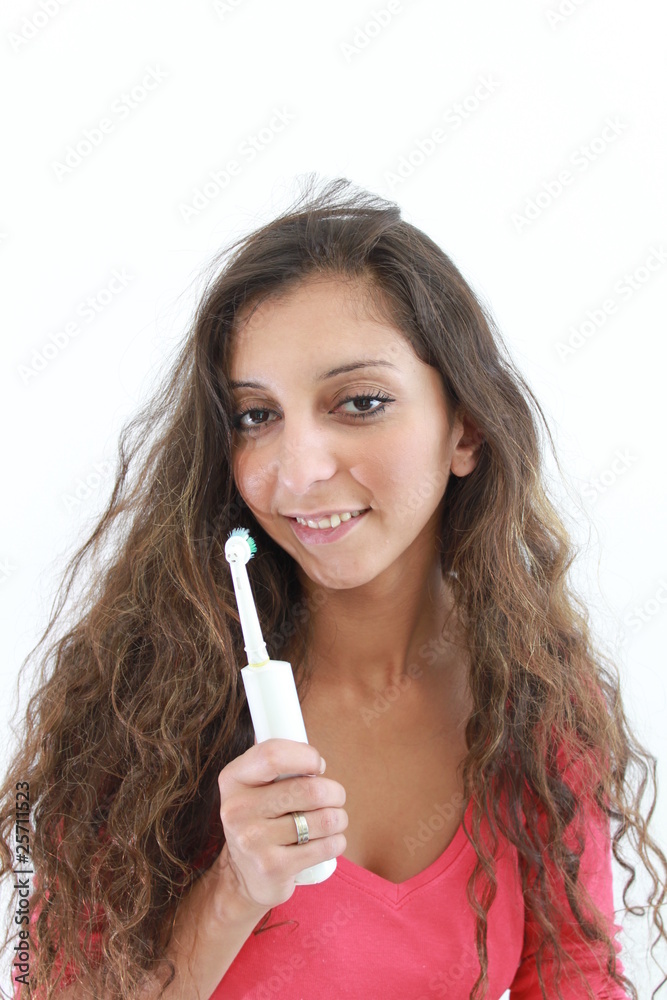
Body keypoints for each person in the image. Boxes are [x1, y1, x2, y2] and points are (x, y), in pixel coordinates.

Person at [1, 176, 665, 999]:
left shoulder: (535, 702)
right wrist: (236, 889)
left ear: (465, 429)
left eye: (359, 402)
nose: (297, 471)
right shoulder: (142, 711)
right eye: (255, 415)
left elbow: (576, 976)